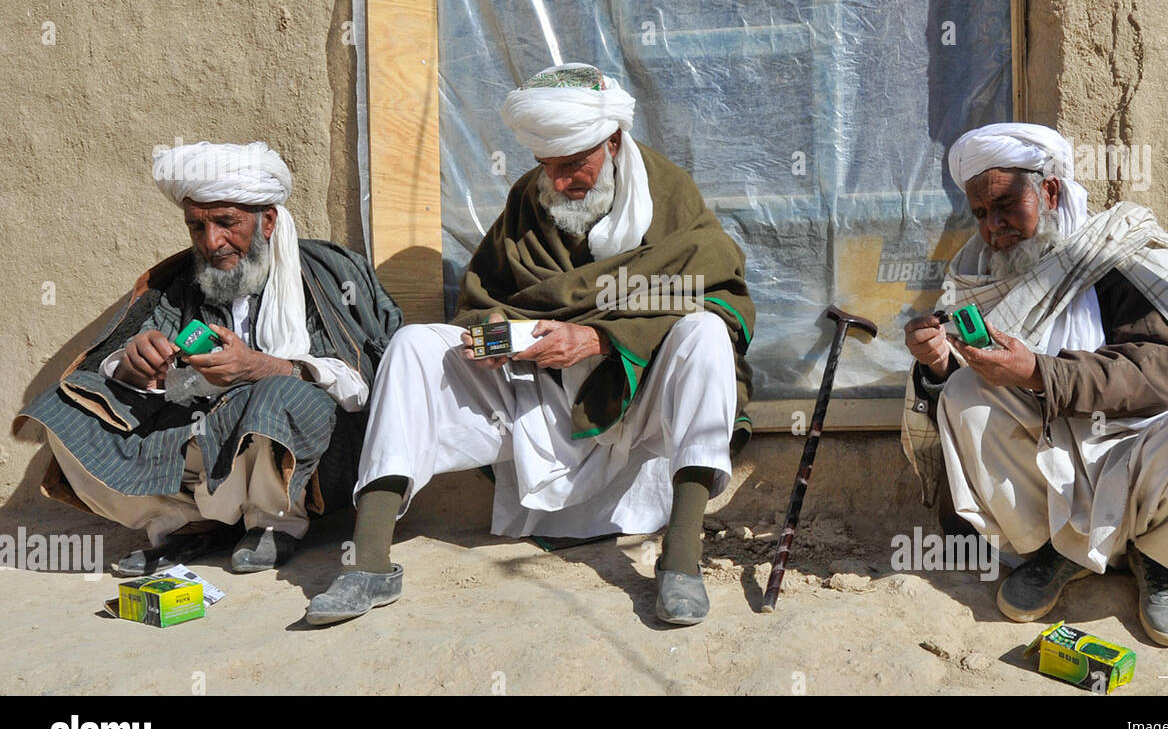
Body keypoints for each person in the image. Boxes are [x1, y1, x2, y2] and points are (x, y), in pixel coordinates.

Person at [306, 63, 754, 627]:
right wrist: (498, 338)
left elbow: (712, 294)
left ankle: (681, 561)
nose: (559, 183)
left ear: (613, 142)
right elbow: (487, 298)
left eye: (575, 167)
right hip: (540, 393)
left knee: (707, 333)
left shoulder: (669, 196)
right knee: (415, 345)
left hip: (638, 394)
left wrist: (597, 337)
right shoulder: (530, 200)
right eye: (548, 168)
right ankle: (369, 561)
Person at [901, 123, 1168, 646]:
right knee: (964, 397)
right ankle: (1055, 550)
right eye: (980, 214)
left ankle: (1163, 563)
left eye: (1005, 205)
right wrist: (938, 364)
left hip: (1141, 444)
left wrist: (1040, 372)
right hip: (1049, 452)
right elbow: (970, 380)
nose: (993, 227)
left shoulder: (1121, 254)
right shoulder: (977, 276)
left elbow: (1159, 370)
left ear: (1051, 191)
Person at [15, 141, 402, 575]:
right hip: (197, 434)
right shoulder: (183, 281)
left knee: (281, 392)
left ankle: (273, 526)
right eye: (196, 227)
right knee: (69, 402)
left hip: (308, 452)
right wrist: (131, 365)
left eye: (225, 222)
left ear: (267, 221)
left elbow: (366, 382)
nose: (211, 242)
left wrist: (261, 366)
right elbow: (125, 360)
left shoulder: (330, 272)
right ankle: (188, 525)